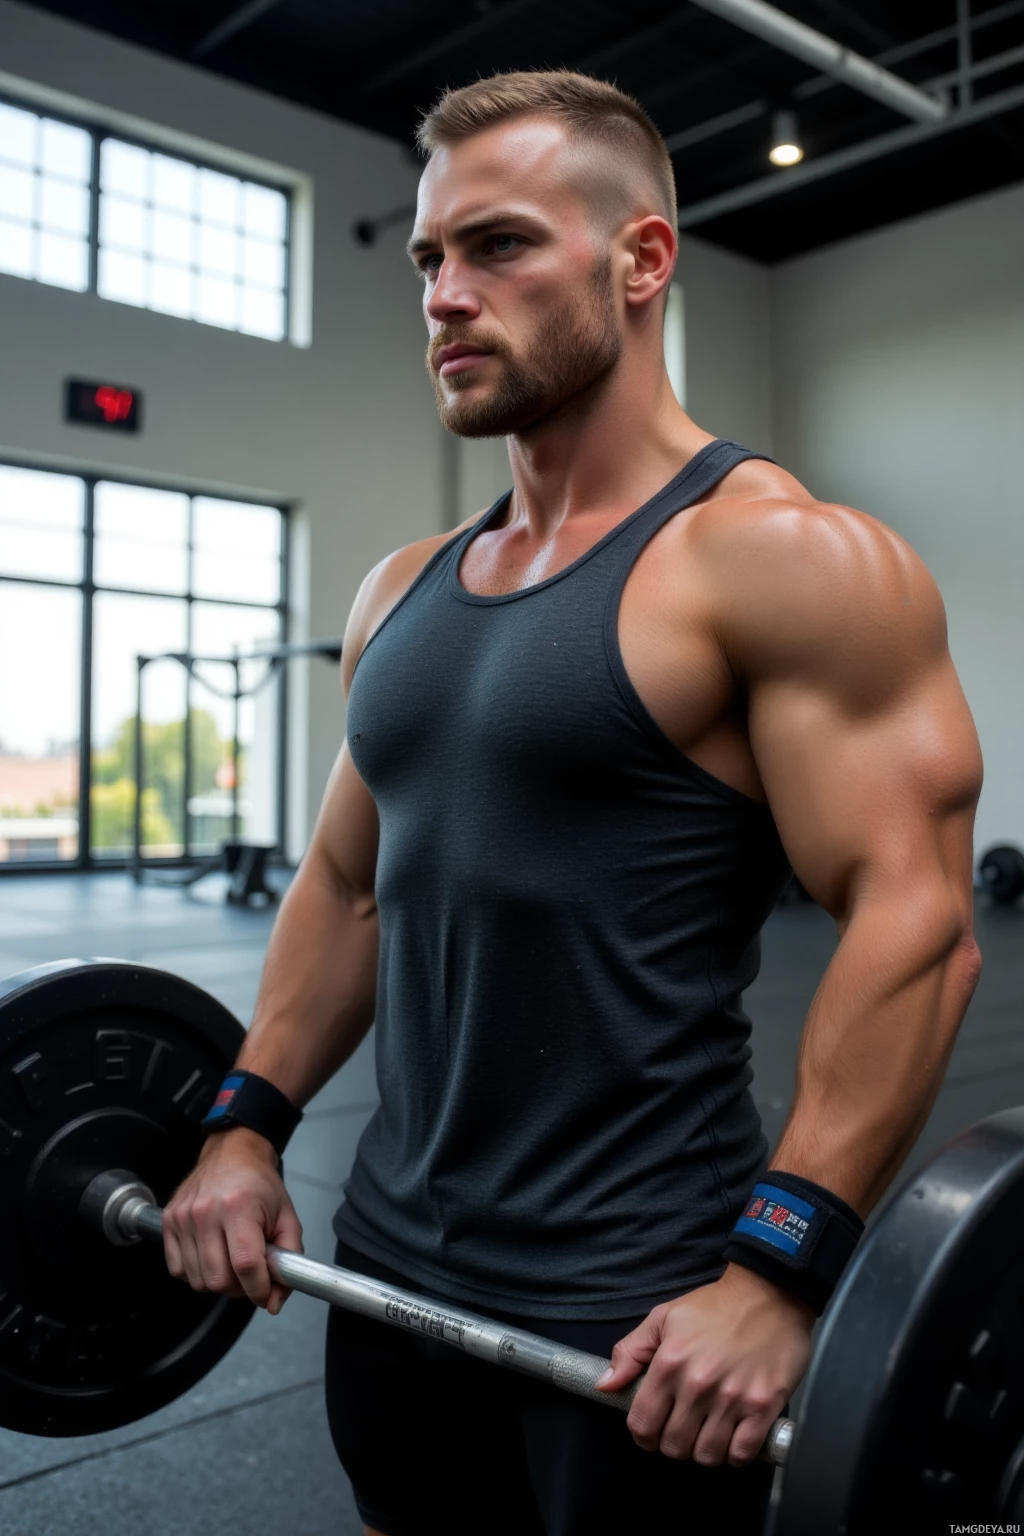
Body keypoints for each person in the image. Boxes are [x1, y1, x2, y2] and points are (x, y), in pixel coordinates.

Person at [163, 70, 983, 1536]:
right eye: (428, 259)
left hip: (652, 1327)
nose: (445, 295)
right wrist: (241, 1126)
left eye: (499, 247)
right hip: (388, 1276)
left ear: (642, 260)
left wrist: (779, 1270)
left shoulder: (783, 560)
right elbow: (348, 887)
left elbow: (913, 918)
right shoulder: (401, 589)